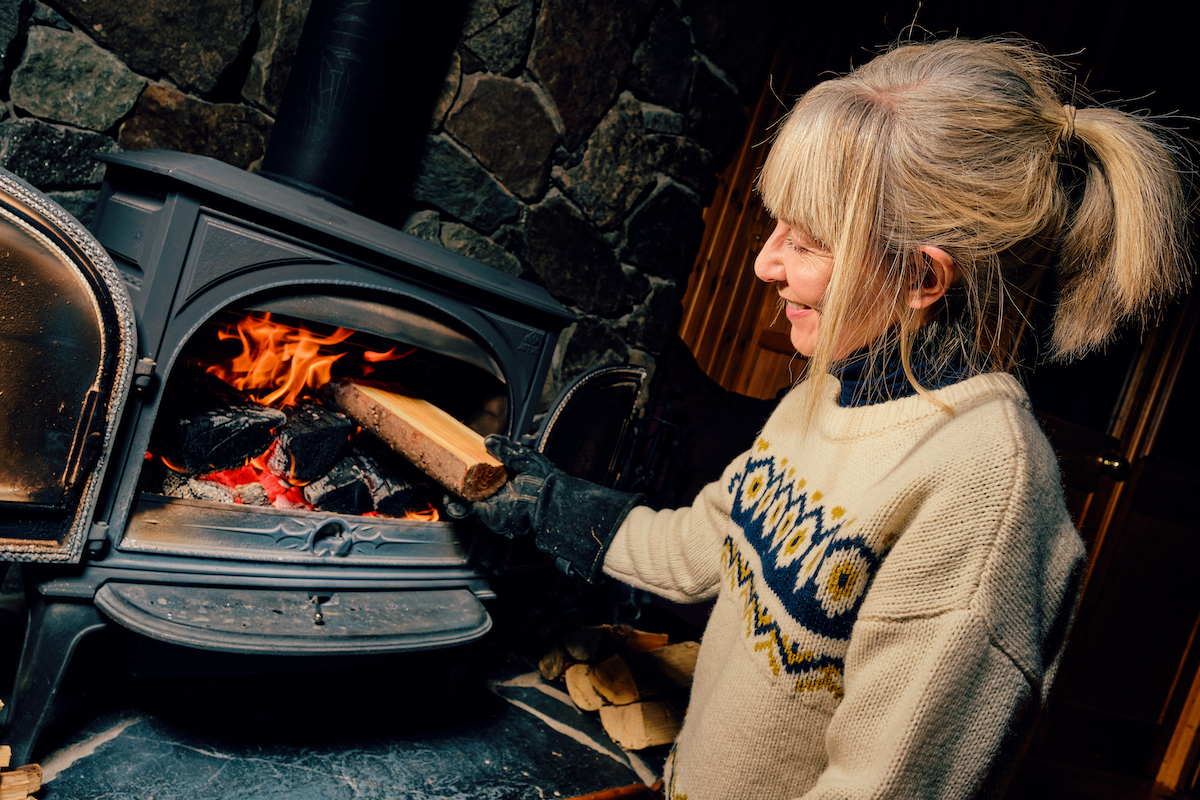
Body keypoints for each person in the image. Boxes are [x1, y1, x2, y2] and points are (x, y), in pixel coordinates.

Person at [448, 36, 1193, 799]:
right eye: (776, 228)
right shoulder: (825, 391)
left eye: (805, 243)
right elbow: (704, 546)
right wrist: (547, 504)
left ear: (921, 276)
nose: (766, 264)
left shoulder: (986, 492)